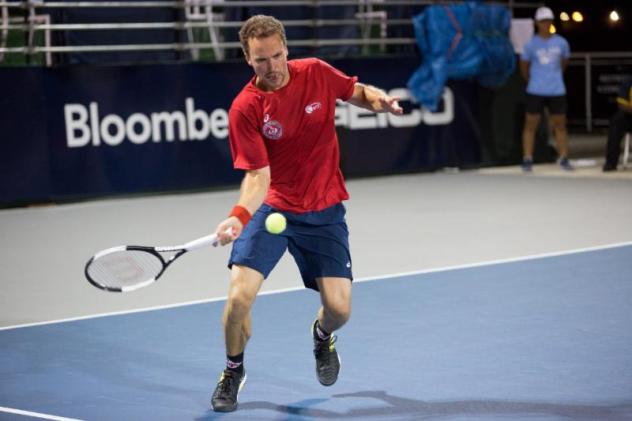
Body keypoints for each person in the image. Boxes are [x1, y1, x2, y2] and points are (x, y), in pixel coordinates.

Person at [209, 15, 403, 413]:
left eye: (277, 55)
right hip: (273, 209)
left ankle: (322, 336)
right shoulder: (246, 107)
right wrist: (239, 215)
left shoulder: (315, 72)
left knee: (340, 309)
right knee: (237, 300)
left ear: (286, 49)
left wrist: (378, 100)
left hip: (324, 208)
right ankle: (233, 370)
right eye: (262, 60)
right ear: (248, 59)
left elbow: (357, 92)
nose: (273, 66)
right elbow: (258, 177)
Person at [519, 6, 573, 172]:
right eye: (542, 21)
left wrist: (554, 78)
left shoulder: (561, 42)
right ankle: (528, 158)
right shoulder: (530, 44)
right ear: (537, 23)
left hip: (556, 90)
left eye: (548, 20)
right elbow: (524, 67)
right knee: (530, 125)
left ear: (551, 21)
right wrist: (534, 80)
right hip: (536, 90)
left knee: (560, 125)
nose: (545, 23)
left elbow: (564, 63)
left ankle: (563, 157)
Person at [603, 75, 632, 171]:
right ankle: (611, 163)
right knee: (616, 121)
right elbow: (622, 105)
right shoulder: (628, 81)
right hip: (630, 115)